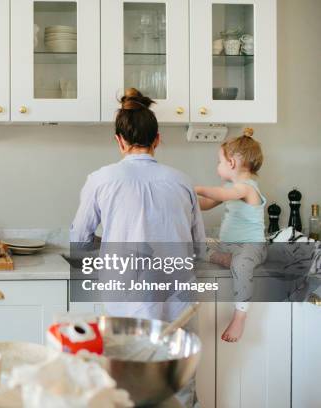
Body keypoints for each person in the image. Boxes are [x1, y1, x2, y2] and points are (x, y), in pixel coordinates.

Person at [70, 88, 205, 407]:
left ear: (119, 140)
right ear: (158, 139)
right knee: (177, 385)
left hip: (127, 301)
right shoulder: (182, 180)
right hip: (179, 301)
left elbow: (79, 239)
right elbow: (198, 246)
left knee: (128, 385)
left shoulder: (101, 180)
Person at [196, 128, 266, 343]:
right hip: (229, 246)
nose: (218, 167)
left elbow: (221, 195)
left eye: (219, 161)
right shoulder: (230, 187)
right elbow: (206, 204)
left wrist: (194, 188)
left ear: (232, 163)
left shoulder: (246, 188)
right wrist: (186, 201)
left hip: (251, 247)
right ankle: (224, 259)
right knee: (197, 245)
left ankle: (240, 316)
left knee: (242, 264)